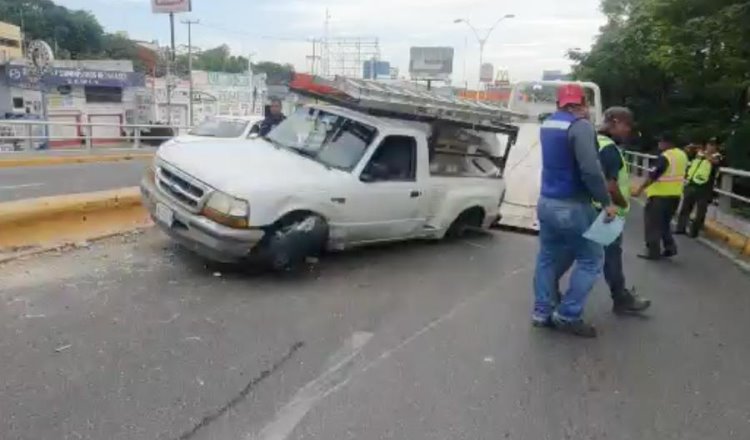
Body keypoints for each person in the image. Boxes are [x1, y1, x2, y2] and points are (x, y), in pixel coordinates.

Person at [532, 84, 618, 338]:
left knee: (547, 257)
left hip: (546, 201)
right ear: (582, 103)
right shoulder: (579, 126)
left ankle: (542, 311)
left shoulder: (548, 124)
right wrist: (605, 202)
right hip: (572, 204)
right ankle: (568, 314)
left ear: (559, 104)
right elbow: (590, 170)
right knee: (592, 258)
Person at [595, 107, 651, 314]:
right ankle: (621, 299)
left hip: (593, 208)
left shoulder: (593, 141)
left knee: (579, 254)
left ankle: (551, 295)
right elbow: (610, 185)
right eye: (627, 125)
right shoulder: (608, 147)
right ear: (615, 122)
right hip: (608, 212)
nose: (628, 131)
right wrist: (623, 204)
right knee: (610, 258)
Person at [633, 133, 689, 260]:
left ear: (668, 143)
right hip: (675, 195)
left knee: (652, 224)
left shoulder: (665, 157)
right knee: (664, 224)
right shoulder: (682, 155)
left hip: (659, 196)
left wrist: (639, 189)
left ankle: (653, 251)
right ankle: (670, 247)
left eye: (661, 142)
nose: (659, 144)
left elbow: (653, 175)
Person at [676, 139, 722, 237]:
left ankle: (694, 232)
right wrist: (692, 148)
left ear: (716, 147)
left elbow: (715, 162)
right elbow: (687, 154)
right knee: (685, 207)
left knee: (700, 211)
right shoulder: (699, 154)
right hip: (692, 183)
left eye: (713, 145)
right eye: (709, 145)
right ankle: (680, 228)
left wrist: (704, 154)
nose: (710, 147)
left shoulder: (717, 156)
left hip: (705, 187)